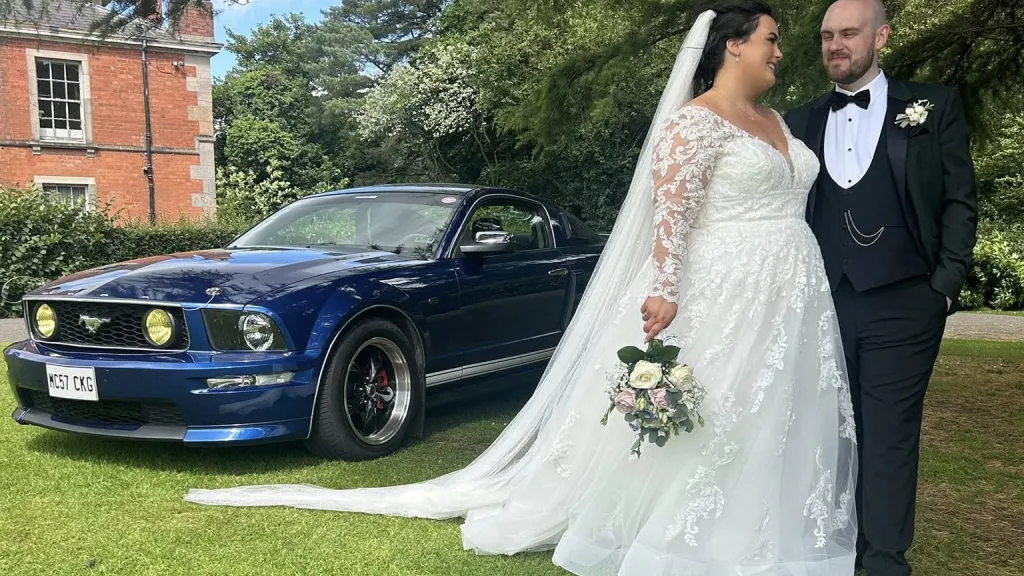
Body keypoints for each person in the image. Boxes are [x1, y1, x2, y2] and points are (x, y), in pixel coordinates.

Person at [186, 2, 859, 573]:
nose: (781, 51)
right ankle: (688, 534)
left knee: (778, 406)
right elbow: (672, 213)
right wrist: (665, 289)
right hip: (723, 287)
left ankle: (769, 528)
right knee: (714, 407)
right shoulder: (695, 122)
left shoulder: (778, 125)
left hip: (792, 288)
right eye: (771, 39)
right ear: (734, 45)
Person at [783, 0, 977, 574]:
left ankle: (884, 559)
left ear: (881, 36)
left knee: (890, 432)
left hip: (907, 298)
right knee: (832, 430)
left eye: (848, 33)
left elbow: (960, 202)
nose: (834, 45)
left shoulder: (933, 106)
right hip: (824, 300)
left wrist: (944, 285)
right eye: (826, 36)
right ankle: (832, 546)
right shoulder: (799, 121)